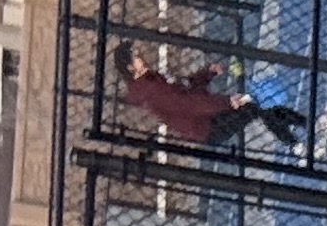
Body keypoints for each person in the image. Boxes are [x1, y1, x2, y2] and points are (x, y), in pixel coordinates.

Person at [121, 57, 312, 156]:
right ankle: (299, 135)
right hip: (209, 127)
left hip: (209, 118)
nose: (141, 57)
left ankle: (298, 136)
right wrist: (226, 102)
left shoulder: (153, 80)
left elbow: (187, 86)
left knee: (257, 106)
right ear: (131, 69)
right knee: (256, 105)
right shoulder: (153, 91)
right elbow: (191, 104)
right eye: (135, 57)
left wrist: (207, 74)